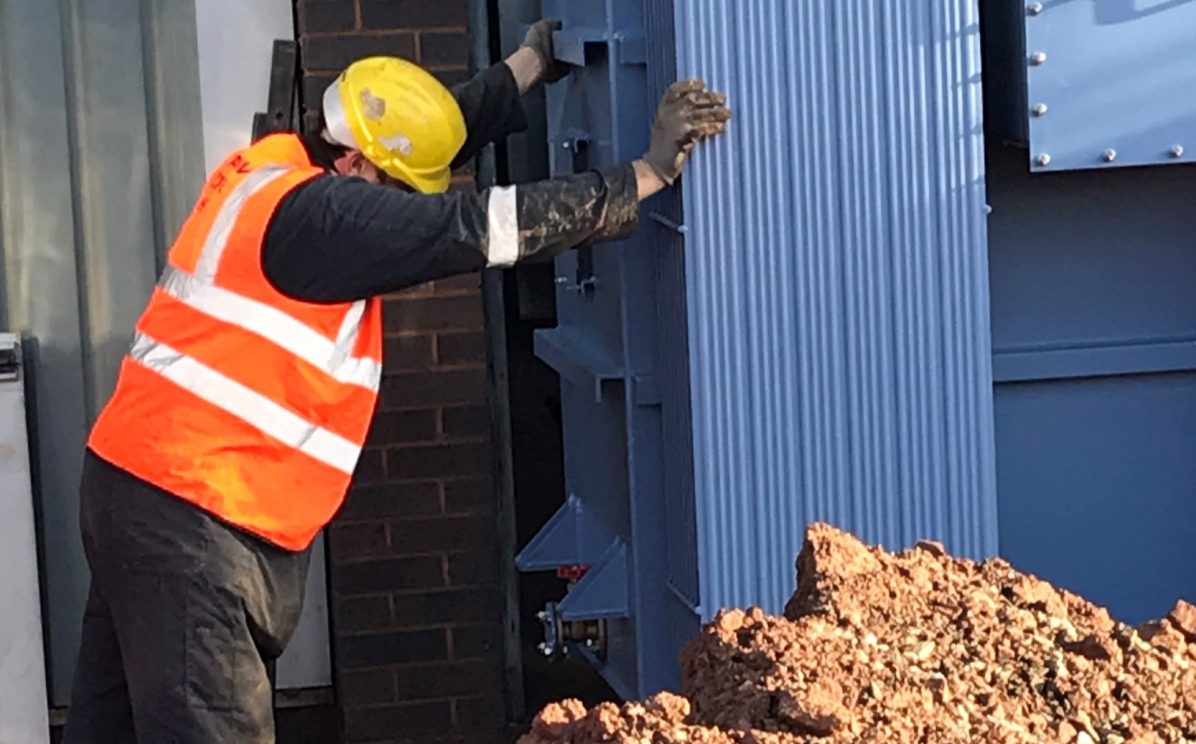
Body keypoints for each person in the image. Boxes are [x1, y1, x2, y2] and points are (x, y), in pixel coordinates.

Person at [61, 20, 730, 743]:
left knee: (115, 726)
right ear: (351, 164)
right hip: (200, 516)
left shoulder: (273, 175)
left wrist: (527, 67)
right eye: (389, 186)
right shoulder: (324, 219)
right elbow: (470, 225)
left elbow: (425, 137)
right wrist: (643, 177)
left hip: (136, 490)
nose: (395, 203)